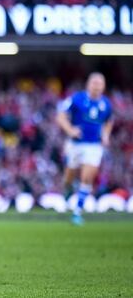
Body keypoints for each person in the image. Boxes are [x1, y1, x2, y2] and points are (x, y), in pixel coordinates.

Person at [56, 72, 113, 226]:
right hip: (75, 144)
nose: (96, 86)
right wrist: (70, 130)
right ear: (88, 84)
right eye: (94, 83)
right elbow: (61, 115)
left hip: (94, 145)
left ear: (103, 86)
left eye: (99, 84)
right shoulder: (77, 98)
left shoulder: (106, 104)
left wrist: (106, 135)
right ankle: (68, 188)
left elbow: (109, 121)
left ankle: (77, 212)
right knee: (69, 176)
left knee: (87, 177)